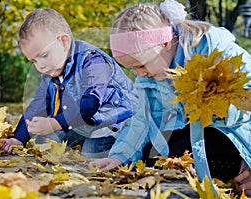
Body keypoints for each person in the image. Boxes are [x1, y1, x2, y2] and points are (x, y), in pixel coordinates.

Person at [90, 0, 251, 196]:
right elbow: (142, 121)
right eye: (131, 69)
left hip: (232, 137)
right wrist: (119, 158)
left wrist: (218, 105)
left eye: (142, 65)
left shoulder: (219, 55)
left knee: (196, 147)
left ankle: (225, 173)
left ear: (165, 44)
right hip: (189, 136)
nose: (139, 74)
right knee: (154, 153)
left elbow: (245, 105)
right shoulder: (151, 78)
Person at [0, 8, 138, 159]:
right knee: (45, 142)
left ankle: (130, 147)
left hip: (117, 122)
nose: (40, 65)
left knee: (91, 152)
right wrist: (18, 138)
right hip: (86, 123)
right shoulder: (51, 74)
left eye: (44, 55)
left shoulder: (92, 60)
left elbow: (90, 103)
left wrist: (54, 123)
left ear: (64, 42)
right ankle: (84, 138)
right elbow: (37, 105)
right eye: (34, 61)